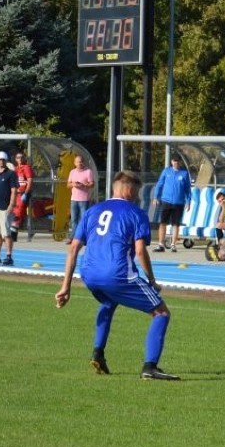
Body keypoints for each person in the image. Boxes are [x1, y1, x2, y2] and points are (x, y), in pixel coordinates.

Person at [54, 170, 179, 381]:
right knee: (161, 313)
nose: (138, 197)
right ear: (128, 189)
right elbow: (140, 251)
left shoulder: (92, 211)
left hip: (89, 274)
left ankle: (98, 353)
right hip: (118, 274)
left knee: (108, 303)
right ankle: (150, 367)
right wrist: (151, 281)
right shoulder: (136, 213)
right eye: (137, 192)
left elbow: (73, 249)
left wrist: (65, 286)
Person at [151, 153, 192, 253]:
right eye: (174, 160)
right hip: (166, 201)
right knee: (163, 223)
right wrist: (156, 197)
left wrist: (188, 201)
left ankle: (173, 245)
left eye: (177, 160)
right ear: (171, 161)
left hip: (179, 203)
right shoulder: (166, 171)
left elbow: (187, 189)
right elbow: (160, 184)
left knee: (176, 224)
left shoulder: (184, 173)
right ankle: (160, 244)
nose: (175, 162)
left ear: (180, 162)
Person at [66, 154, 95, 242]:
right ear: (75, 163)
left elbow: (92, 184)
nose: (80, 163)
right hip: (74, 199)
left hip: (84, 199)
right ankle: (73, 237)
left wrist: (85, 185)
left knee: (83, 219)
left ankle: (83, 238)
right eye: (78, 162)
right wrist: (73, 184)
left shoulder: (88, 171)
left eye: (81, 162)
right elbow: (68, 184)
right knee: (74, 219)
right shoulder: (72, 172)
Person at [10, 151, 34, 241]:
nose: (20, 159)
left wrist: (26, 193)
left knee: (19, 213)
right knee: (14, 213)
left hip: (23, 194)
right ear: (16, 159)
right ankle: (13, 235)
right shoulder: (16, 169)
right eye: (18, 157)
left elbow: (30, 181)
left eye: (21, 157)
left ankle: (13, 236)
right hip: (16, 194)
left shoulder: (26, 167)